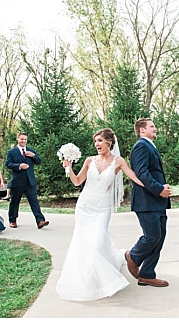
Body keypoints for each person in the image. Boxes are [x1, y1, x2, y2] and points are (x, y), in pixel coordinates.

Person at [55, 128, 146, 301]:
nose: (96, 144)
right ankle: (88, 280)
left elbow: (133, 177)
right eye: (95, 141)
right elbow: (77, 182)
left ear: (109, 142)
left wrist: (153, 188)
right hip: (84, 207)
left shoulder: (118, 161)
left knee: (96, 243)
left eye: (100, 141)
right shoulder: (89, 160)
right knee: (84, 243)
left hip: (102, 209)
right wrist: (68, 169)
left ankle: (108, 274)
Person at [126, 118, 173, 288]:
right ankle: (133, 256)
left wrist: (162, 192)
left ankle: (146, 274)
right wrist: (159, 189)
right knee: (152, 237)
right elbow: (142, 173)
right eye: (152, 126)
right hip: (146, 201)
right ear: (142, 130)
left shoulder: (150, 146)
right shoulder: (141, 146)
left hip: (157, 202)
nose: (155, 129)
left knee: (159, 238)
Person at [5, 132, 49, 229]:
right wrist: (19, 166)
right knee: (15, 202)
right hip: (17, 182)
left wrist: (33, 155)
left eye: (25, 139)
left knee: (34, 201)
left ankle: (40, 220)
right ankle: (12, 220)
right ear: (18, 139)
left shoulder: (30, 151)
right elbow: (8, 164)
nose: (23, 141)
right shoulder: (11, 152)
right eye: (22, 139)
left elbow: (38, 162)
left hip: (30, 182)